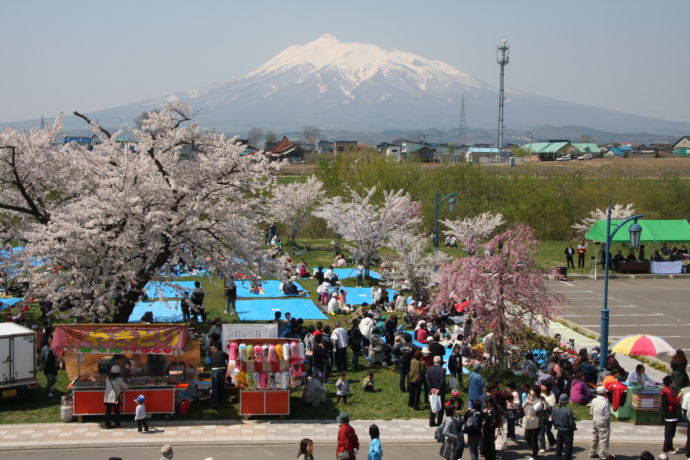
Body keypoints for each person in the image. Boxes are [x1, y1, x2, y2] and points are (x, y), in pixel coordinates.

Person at [661, 375, 682, 454]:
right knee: (670, 432)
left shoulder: (664, 390)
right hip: (671, 414)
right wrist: (679, 397)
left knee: (668, 432)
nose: (674, 383)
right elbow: (674, 403)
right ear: (670, 383)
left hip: (666, 414)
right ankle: (667, 448)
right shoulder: (669, 391)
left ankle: (670, 447)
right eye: (672, 382)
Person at [523, 385, 544, 460]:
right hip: (528, 422)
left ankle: (534, 455)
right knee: (527, 437)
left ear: (535, 392)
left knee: (533, 438)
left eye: (532, 390)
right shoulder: (529, 399)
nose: (530, 391)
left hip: (536, 423)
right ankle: (534, 448)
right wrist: (526, 401)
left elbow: (533, 411)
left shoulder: (539, 402)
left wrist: (530, 402)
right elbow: (523, 406)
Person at [552, 393, 576, 460]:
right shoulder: (568, 411)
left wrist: (556, 425)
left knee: (559, 444)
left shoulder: (555, 409)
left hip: (559, 429)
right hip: (567, 430)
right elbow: (571, 422)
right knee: (568, 445)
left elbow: (553, 419)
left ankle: (558, 456)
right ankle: (567, 458)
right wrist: (573, 428)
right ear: (567, 401)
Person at [104, 364, 128, 429]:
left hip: (108, 397)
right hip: (115, 397)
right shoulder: (119, 379)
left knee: (108, 411)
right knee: (116, 411)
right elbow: (126, 386)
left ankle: (107, 424)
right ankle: (117, 424)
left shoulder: (107, 378)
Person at [589, 386, 611, 459]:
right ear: (604, 393)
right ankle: (603, 455)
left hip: (595, 420)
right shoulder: (605, 402)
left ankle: (592, 452)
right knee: (603, 440)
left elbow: (591, 412)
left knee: (595, 438)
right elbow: (607, 416)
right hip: (603, 422)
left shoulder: (593, 400)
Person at [426, 355, 446, 427]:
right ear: (440, 361)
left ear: (433, 361)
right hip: (440, 391)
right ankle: (439, 422)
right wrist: (438, 389)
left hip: (432, 390)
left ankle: (431, 422)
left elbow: (427, 380)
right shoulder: (443, 370)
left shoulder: (429, 369)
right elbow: (442, 380)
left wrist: (431, 388)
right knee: (440, 406)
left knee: (432, 405)